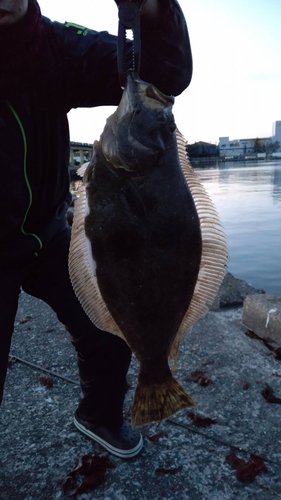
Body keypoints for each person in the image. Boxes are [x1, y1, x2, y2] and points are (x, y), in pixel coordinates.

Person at [0, 0, 192, 458]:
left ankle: (99, 415)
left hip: (47, 233)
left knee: (110, 328)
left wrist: (154, 12)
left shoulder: (53, 47)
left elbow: (161, 73)